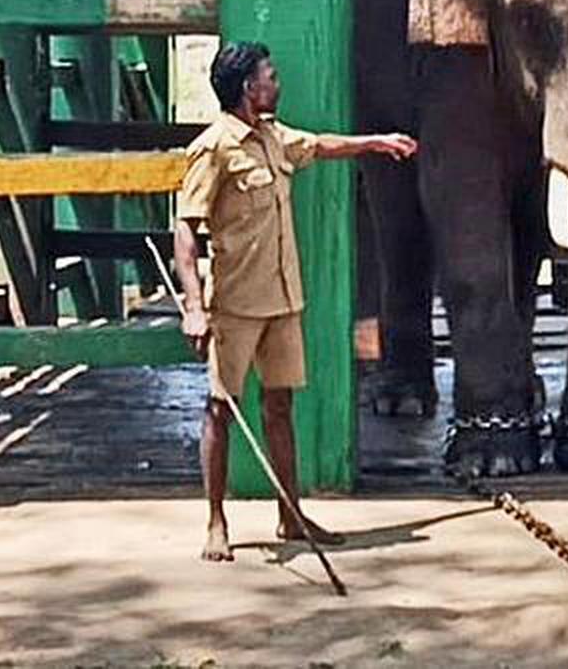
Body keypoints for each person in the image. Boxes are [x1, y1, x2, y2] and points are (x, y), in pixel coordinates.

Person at [172, 41, 417, 562]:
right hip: (234, 304)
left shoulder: (272, 137)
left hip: (282, 299)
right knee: (222, 409)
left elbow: (320, 145)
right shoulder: (214, 148)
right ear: (247, 88)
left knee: (280, 405)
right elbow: (185, 231)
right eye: (270, 76)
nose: (277, 84)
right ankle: (217, 521)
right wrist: (193, 307)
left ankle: (290, 513)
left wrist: (375, 143)